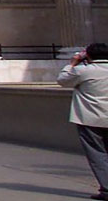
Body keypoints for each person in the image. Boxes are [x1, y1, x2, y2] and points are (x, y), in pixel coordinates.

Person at [58, 43, 108, 200]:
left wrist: (72, 63)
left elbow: (63, 81)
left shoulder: (83, 71)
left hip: (90, 118)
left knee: (97, 154)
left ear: (89, 56)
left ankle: (107, 188)